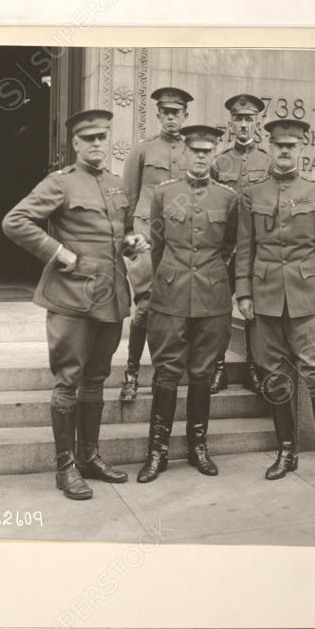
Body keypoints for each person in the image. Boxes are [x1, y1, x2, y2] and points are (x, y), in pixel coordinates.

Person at [2, 109, 149, 500]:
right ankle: (65, 467)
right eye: (90, 139)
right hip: (72, 298)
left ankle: (89, 456)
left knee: (96, 379)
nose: (97, 144)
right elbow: (15, 221)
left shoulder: (117, 184)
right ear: (76, 144)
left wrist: (131, 243)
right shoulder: (60, 183)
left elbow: (120, 232)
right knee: (68, 380)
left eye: (103, 137)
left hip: (111, 296)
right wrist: (59, 253)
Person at [236, 119, 315, 487]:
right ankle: (287, 451)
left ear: (301, 148)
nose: (285, 151)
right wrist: (244, 293)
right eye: (279, 146)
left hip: (307, 299)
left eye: (291, 146)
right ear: (271, 146)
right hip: (266, 300)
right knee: (275, 377)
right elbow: (244, 247)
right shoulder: (254, 193)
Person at [137, 125, 237, 483]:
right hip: (170, 295)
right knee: (166, 374)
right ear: (185, 153)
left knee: (203, 374)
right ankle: (157, 453)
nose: (200, 156)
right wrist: (169, 277)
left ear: (214, 154)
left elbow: (229, 247)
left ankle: (198, 448)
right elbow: (158, 244)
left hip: (212, 299)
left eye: (207, 151)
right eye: (194, 150)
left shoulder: (227, 198)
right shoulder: (165, 194)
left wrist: (209, 276)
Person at [119, 86, 194, 403]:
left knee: (179, 304)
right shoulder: (142, 150)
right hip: (146, 234)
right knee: (146, 306)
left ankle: (171, 374)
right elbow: (128, 198)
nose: (171, 118)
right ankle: (132, 374)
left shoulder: (193, 152)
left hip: (180, 238)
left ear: (185, 116)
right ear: (159, 115)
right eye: (166, 113)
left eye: (177, 113)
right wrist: (127, 242)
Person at [209, 94, 270, 394]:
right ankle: (217, 368)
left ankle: (253, 368)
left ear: (258, 122)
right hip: (225, 249)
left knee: (253, 311)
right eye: (238, 119)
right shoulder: (219, 163)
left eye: (248, 119)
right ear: (230, 124)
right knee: (220, 308)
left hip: (256, 251)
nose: (243, 124)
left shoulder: (268, 163)